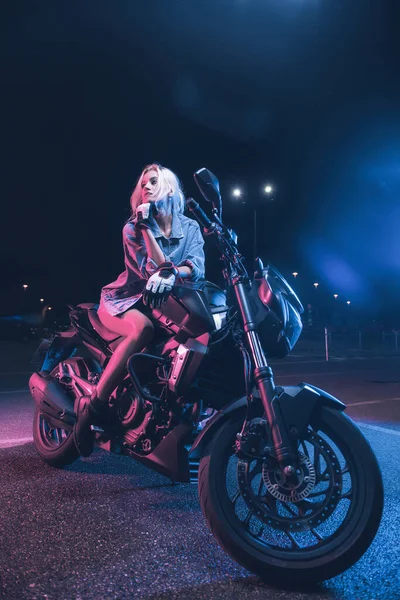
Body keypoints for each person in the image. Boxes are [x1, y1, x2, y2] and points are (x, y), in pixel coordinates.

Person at [74, 163, 205, 455]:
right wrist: (147, 230)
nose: (144, 186)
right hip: (125, 300)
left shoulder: (191, 227)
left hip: (165, 305)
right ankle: (92, 407)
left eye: (153, 181)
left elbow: (197, 267)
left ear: (169, 188)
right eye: (142, 183)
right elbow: (152, 272)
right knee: (143, 330)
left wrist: (173, 273)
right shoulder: (133, 228)